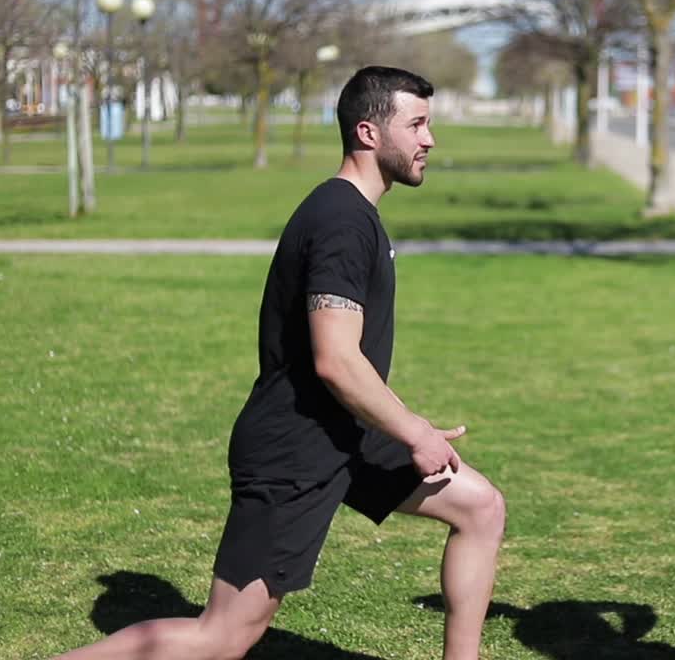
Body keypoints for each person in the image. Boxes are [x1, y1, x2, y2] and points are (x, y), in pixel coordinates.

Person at [52, 66, 506, 660]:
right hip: (295, 446)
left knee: (478, 506)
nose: (429, 139)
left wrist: (398, 425)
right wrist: (414, 431)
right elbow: (335, 360)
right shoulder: (341, 220)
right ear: (368, 133)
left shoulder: (354, 213)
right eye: (416, 124)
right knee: (222, 636)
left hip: (346, 432)